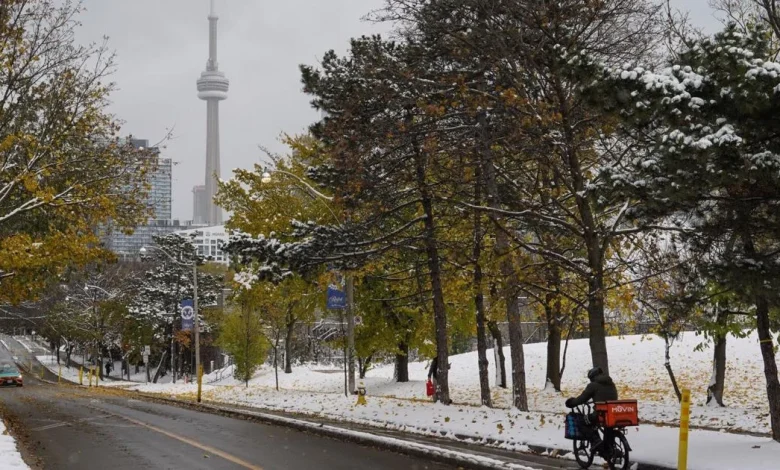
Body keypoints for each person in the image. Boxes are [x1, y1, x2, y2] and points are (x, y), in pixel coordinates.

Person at [565, 367, 618, 449]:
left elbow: (582, 399)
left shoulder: (593, 385)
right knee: (607, 427)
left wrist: (571, 403)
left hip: (600, 414)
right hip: (612, 413)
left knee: (582, 421)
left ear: (592, 377)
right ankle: (608, 449)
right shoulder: (611, 383)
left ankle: (596, 440)